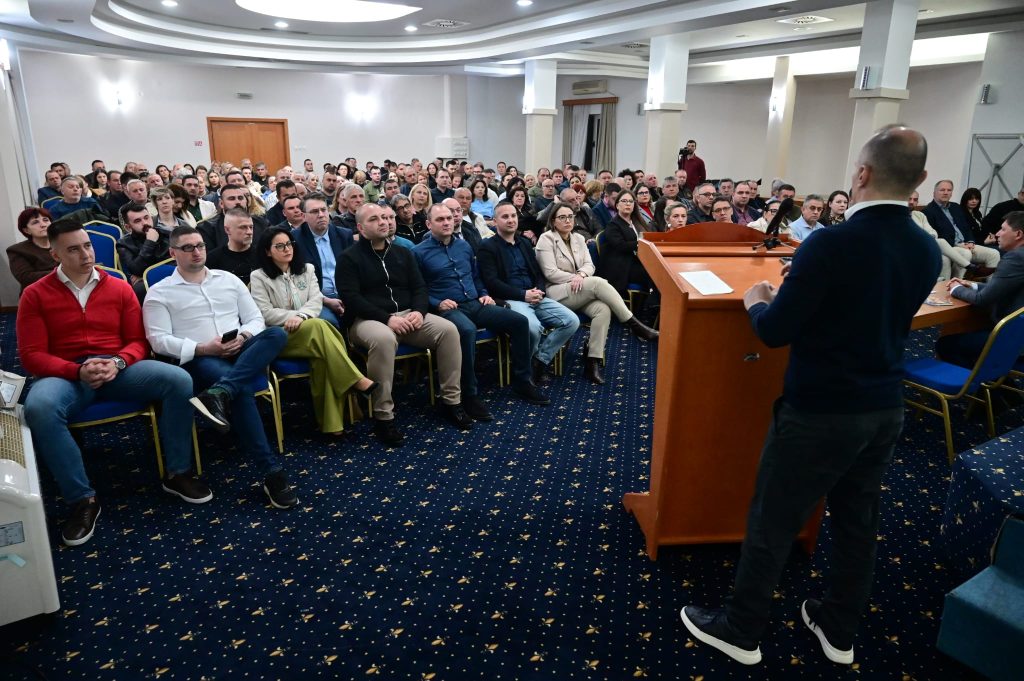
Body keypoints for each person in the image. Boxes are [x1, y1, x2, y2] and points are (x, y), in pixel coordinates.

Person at [679, 124, 940, 667]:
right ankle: (838, 630)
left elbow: (776, 331)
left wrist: (758, 299)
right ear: (919, 181)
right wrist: (809, 281)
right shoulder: (925, 246)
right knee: (857, 521)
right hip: (884, 406)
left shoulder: (831, 243)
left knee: (773, 519)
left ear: (862, 173)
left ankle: (741, 629)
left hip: (822, 408)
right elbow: (873, 305)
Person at [19, 219, 214, 547]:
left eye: (87, 246)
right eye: (73, 249)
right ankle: (82, 499)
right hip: (66, 374)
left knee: (179, 379)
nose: (86, 254)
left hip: (117, 368)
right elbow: (31, 355)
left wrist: (118, 362)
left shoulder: (118, 287)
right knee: (39, 407)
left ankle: (178, 472)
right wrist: (76, 370)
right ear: (55, 255)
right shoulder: (35, 294)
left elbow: (138, 341)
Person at [143, 226, 298, 510]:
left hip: (240, 349)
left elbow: (255, 319)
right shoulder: (159, 292)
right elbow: (158, 340)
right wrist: (203, 348)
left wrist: (243, 337)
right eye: (188, 248)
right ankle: (270, 471)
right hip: (201, 357)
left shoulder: (227, 280)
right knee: (240, 388)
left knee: (276, 334)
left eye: (200, 245)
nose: (197, 252)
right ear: (173, 253)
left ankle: (220, 392)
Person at [339, 204, 472, 444]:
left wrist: (420, 312)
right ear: (360, 227)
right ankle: (383, 416)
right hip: (368, 319)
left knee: (449, 331)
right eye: (374, 219)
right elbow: (352, 298)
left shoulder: (402, 253)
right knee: (383, 339)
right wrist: (387, 318)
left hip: (408, 315)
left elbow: (419, 287)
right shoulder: (349, 258)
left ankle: (452, 401)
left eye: (384, 217)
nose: (383, 222)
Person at [414, 203, 550, 409]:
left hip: (475, 302)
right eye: (440, 219)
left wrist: (484, 293)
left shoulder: (463, 246)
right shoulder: (418, 252)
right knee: (467, 330)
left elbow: (476, 276)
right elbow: (417, 288)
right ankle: (469, 393)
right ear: (428, 224)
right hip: (448, 308)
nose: (446, 222)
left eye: (449, 218)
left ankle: (523, 381)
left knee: (520, 321)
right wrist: (437, 302)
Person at [249, 227, 378, 435]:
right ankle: (354, 379)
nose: (287, 249)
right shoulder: (258, 276)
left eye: (289, 244)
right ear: (267, 251)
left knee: (322, 356)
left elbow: (316, 300)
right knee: (321, 326)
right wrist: (293, 317)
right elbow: (265, 313)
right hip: (281, 336)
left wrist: (301, 316)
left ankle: (332, 426)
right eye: (279, 246)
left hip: (311, 334)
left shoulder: (307, 269)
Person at [535, 204, 658, 384]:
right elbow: (550, 273)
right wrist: (576, 277)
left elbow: (589, 265)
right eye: (562, 217)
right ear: (553, 221)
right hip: (557, 291)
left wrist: (581, 275)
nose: (568, 220)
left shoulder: (578, 238)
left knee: (603, 309)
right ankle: (633, 324)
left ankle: (592, 362)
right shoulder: (546, 239)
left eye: (570, 216)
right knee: (598, 283)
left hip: (578, 289)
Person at [478, 201, 580, 385]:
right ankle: (526, 370)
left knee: (571, 321)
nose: (511, 220)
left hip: (534, 296)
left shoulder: (524, 243)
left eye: (513, 216)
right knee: (532, 327)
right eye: (505, 216)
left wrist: (539, 291)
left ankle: (538, 361)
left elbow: (538, 273)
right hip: (510, 299)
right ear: (495, 221)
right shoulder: (488, 247)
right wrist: (523, 294)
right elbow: (492, 283)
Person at [936, 211, 1024, 368]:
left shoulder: (1016, 258)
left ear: (1018, 234)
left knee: (946, 345)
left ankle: (976, 382)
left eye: (1003, 229)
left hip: (1012, 338)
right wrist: (972, 285)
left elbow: (982, 299)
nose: (998, 234)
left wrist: (956, 288)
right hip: (1017, 332)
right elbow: (1004, 287)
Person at [290, 193, 353, 328]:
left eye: (323, 210)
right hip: (317, 300)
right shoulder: (294, 240)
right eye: (314, 211)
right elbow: (296, 281)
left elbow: (354, 271)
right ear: (303, 216)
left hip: (348, 295)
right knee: (328, 323)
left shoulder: (344, 235)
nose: (321, 215)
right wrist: (325, 300)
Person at [923, 180, 1000, 274]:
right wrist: (959, 245)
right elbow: (936, 236)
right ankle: (957, 281)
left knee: (994, 254)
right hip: (950, 247)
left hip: (967, 244)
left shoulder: (955, 207)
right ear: (934, 192)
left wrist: (971, 241)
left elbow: (966, 228)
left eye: (949, 190)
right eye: (942, 190)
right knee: (965, 253)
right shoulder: (928, 211)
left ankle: (990, 283)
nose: (946, 192)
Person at [597, 190, 654, 298]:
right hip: (622, 266)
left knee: (658, 269)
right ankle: (651, 304)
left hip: (638, 261)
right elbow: (620, 245)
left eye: (631, 201)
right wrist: (641, 244)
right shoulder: (613, 225)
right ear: (617, 205)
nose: (628, 204)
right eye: (624, 201)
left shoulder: (637, 222)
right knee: (654, 273)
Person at [117, 201, 171, 300]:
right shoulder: (123, 244)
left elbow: (177, 262)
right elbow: (136, 269)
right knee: (139, 289)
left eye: (146, 218)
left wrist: (146, 275)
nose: (145, 223)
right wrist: (150, 242)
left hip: (172, 277)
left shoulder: (167, 234)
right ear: (128, 227)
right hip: (148, 286)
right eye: (137, 221)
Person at [206, 208, 260, 285]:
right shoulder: (213, 259)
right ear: (227, 230)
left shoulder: (262, 255)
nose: (249, 232)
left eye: (251, 227)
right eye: (243, 227)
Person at [8, 207, 56, 291]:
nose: (43, 225)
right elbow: (25, 277)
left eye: (46, 220)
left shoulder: (63, 244)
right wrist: (61, 273)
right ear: (26, 230)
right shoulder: (17, 250)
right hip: (38, 293)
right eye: (35, 222)